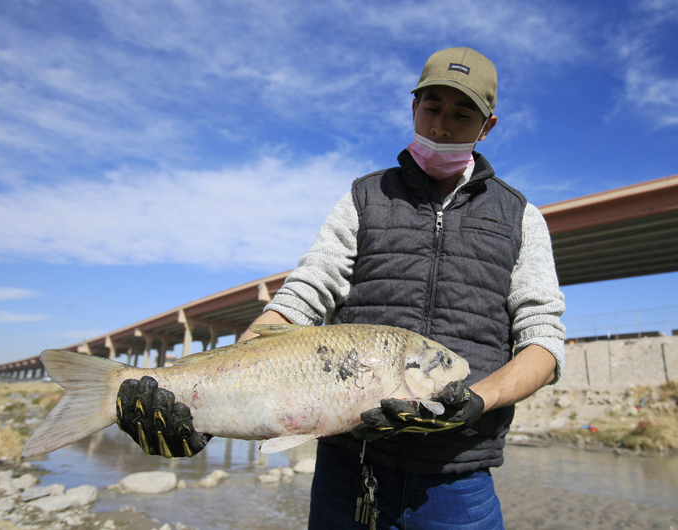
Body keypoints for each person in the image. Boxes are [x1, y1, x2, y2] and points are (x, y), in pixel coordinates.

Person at [116, 47, 565, 529]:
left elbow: (544, 342)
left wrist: (479, 399)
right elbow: (303, 296)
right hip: (348, 473)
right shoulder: (363, 198)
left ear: (487, 126)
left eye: (462, 113)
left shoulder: (521, 216)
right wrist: (205, 401)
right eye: (432, 107)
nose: (441, 126)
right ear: (413, 108)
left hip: (458, 481)